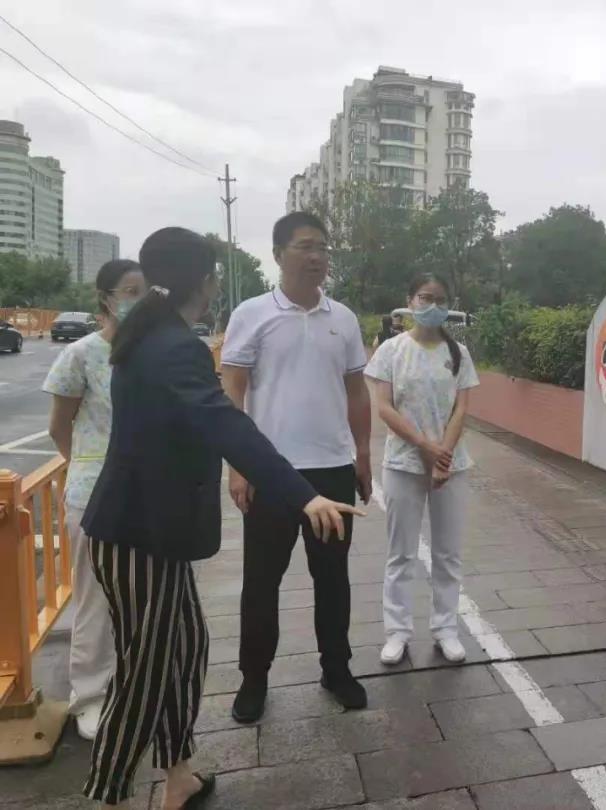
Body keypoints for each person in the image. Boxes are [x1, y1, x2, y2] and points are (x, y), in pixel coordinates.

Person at [80, 227, 362, 809]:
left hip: (156, 529)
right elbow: (223, 420)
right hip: (138, 534)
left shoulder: (153, 334)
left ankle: (179, 776)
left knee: (185, 648)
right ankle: (107, 795)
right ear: (203, 281)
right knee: (145, 670)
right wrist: (303, 495)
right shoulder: (171, 344)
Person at [221, 211, 372, 724]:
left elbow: (356, 391)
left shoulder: (343, 318)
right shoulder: (251, 314)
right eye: (306, 246)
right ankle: (253, 679)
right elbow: (232, 390)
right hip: (270, 472)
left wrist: (362, 454)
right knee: (262, 582)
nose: (317, 257)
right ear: (278, 253)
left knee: (333, 578)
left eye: (323, 248)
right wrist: (238, 464)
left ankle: (337, 669)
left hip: (332, 469)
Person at [43, 259, 146, 741]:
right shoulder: (82, 354)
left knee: (140, 594)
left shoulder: (149, 353)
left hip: (147, 491)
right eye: (130, 291)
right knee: (94, 596)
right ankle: (88, 695)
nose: (138, 300)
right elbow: (58, 427)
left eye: (145, 291)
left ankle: (131, 684)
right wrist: (86, 467)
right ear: (106, 298)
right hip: (94, 494)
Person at [365, 273, 479, 666]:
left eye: (440, 299)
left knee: (448, 553)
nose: (433, 306)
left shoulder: (459, 352)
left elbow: (462, 409)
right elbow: (384, 408)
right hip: (403, 464)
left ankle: (446, 629)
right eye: (425, 298)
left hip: (451, 466)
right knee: (401, 553)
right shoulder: (391, 350)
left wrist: (443, 455)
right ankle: (397, 632)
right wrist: (425, 447)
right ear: (410, 300)